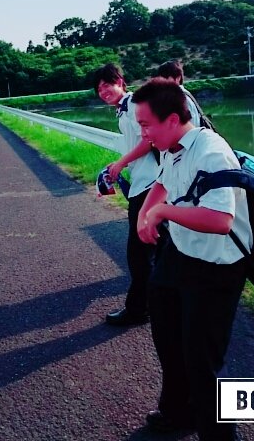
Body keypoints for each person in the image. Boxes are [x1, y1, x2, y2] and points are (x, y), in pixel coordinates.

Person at [133, 79, 252, 441]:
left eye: (146, 125)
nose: (142, 133)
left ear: (172, 119)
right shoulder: (171, 146)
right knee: (167, 333)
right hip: (182, 250)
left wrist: (162, 213)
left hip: (217, 264)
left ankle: (219, 435)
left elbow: (220, 220)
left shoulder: (211, 151)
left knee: (202, 358)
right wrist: (145, 214)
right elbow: (162, 183)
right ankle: (178, 412)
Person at [93, 63, 159, 326]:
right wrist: (119, 165)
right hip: (145, 182)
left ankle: (139, 310)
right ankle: (157, 303)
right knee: (152, 249)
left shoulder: (133, 104)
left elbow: (148, 139)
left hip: (150, 185)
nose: (103, 92)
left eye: (107, 85)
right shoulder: (124, 110)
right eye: (99, 89)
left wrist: (121, 163)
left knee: (138, 253)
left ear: (120, 82)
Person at [154, 59, 201, 126]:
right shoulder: (176, 96)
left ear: (178, 78)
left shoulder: (181, 98)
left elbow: (190, 126)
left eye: (166, 78)